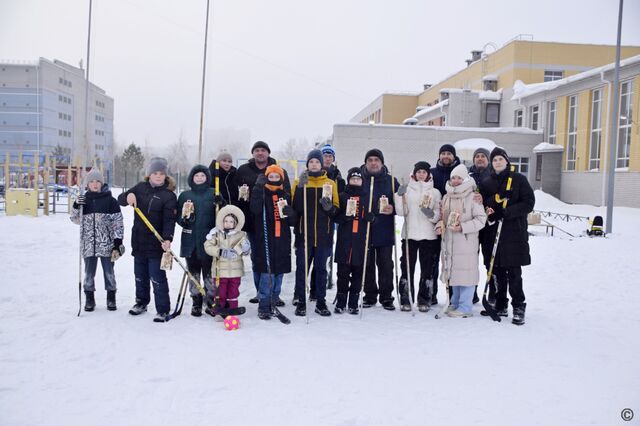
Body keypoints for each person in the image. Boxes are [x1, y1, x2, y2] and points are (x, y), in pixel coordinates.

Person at [118, 157, 177, 323]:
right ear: (149, 174)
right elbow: (121, 199)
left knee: (157, 277)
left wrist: (167, 239)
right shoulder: (140, 188)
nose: (158, 176)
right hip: (138, 241)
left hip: (156, 244)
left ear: (165, 176)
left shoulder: (169, 195)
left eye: (161, 173)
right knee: (140, 275)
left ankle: (163, 309)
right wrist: (128, 196)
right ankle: (141, 303)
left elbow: (169, 221)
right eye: (155, 173)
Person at [480, 147, 535, 325]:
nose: (497, 162)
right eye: (494, 160)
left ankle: (518, 306)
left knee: (513, 273)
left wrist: (507, 211)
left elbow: (528, 203)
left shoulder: (518, 180)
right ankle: (501, 304)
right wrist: (492, 209)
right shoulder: (487, 182)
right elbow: (484, 202)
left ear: (506, 161)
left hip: (513, 233)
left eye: (500, 159)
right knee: (497, 272)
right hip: (493, 233)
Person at [235, 141, 291, 305]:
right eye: (257, 150)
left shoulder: (278, 170)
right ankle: (261, 293)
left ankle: (274, 294)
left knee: (277, 260)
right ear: (253, 153)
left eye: (263, 150)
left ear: (268, 153)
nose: (260, 153)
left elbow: (286, 193)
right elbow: (234, 190)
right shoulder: (244, 170)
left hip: (275, 222)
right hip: (252, 221)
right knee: (258, 259)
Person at [291, 149, 339, 317]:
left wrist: (329, 208)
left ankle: (320, 301)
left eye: (317, 162)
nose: (314, 164)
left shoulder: (330, 184)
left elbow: (336, 210)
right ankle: (301, 301)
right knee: (302, 269)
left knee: (321, 270)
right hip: (304, 235)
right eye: (311, 162)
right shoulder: (299, 182)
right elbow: (295, 208)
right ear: (307, 164)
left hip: (324, 235)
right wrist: (300, 188)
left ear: (321, 164)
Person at [436, 164, 486, 317]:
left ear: (465, 179)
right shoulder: (446, 197)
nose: (456, 181)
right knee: (454, 273)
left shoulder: (473, 197)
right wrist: (440, 226)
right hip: (449, 241)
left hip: (466, 242)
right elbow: (442, 218)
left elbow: (481, 219)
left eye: (459, 178)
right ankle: (455, 302)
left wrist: (463, 227)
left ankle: (465, 307)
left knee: (466, 274)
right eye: (453, 178)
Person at [70, 169, 124, 312]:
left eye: (97, 181)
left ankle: (111, 297)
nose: (95, 184)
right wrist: (76, 206)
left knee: (109, 272)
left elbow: (118, 223)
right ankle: (89, 298)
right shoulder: (83, 200)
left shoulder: (110, 201)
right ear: (87, 184)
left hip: (106, 244)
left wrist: (118, 242)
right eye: (92, 181)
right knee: (89, 273)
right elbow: (75, 220)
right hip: (88, 244)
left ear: (102, 183)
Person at [249, 165, 297, 320]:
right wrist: (258, 187)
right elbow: (255, 209)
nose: (274, 180)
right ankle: (264, 302)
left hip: (282, 238)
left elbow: (292, 221)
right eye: (271, 177)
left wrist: (291, 214)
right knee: (266, 271)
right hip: (265, 237)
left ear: (281, 178)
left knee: (279, 270)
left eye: (277, 177)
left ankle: (275, 297)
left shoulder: (285, 194)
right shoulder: (262, 193)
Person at [394, 161, 441, 312]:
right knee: (407, 268)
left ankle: (424, 299)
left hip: (429, 237)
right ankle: (406, 299)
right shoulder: (407, 190)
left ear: (428, 174)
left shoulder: (435, 192)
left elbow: (438, 215)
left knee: (427, 270)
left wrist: (430, 214)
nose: (421, 174)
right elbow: (402, 212)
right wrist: (398, 196)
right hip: (410, 235)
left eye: (424, 172)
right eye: (419, 171)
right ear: (414, 174)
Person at [360, 149, 399, 311]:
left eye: (376, 160)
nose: (373, 163)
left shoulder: (391, 181)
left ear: (382, 163)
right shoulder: (360, 179)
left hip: (384, 229)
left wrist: (394, 208)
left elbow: (401, 204)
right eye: (370, 160)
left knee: (385, 265)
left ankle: (386, 296)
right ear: (366, 162)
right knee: (367, 264)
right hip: (366, 229)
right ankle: (369, 295)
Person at [333, 168, 374, 314]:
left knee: (358, 274)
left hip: (361, 242)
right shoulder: (342, 196)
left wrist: (371, 218)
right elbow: (335, 217)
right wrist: (344, 217)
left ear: (362, 181)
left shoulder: (367, 197)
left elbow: (374, 216)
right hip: (345, 241)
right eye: (353, 179)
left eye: (358, 179)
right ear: (349, 180)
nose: (355, 181)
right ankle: (341, 301)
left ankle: (353, 302)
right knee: (342, 274)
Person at [176, 165, 216, 317]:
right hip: (190, 240)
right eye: (196, 176)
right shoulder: (185, 195)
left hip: (208, 240)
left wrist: (221, 202)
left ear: (207, 178)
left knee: (209, 274)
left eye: (202, 176)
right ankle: (196, 301)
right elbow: (178, 218)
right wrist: (185, 219)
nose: (199, 178)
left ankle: (211, 300)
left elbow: (222, 215)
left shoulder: (213, 193)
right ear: (191, 178)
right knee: (193, 274)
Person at [307, 144, 345, 300]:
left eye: (330, 156)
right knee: (311, 257)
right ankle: (310, 289)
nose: (327, 158)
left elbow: (341, 198)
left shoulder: (337, 176)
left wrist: (333, 210)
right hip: (311, 222)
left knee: (324, 257)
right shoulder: (311, 174)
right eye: (325, 156)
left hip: (329, 221)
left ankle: (324, 284)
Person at [429, 143, 462, 305]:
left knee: (456, 260)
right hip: (436, 221)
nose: (446, 156)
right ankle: (431, 293)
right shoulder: (432, 173)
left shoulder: (460, 173)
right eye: (443, 153)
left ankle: (456, 295)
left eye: (449, 153)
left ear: (454, 156)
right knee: (433, 259)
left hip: (455, 222)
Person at [204, 205, 251, 316]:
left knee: (233, 292)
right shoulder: (216, 234)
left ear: (236, 223)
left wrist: (245, 248)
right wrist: (220, 251)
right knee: (220, 292)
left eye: (231, 221)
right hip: (220, 271)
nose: (228, 223)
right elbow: (208, 246)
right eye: (226, 221)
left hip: (235, 271)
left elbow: (246, 252)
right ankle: (220, 311)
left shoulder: (241, 235)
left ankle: (232, 310)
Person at [468, 147, 492, 304]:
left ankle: (493, 294)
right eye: (477, 156)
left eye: (483, 156)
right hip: (471, 225)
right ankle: (472, 292)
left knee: (490, 261)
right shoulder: (467, 177)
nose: (480, 158)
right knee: (470, 260)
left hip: (489, 225)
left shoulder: (493, 175)